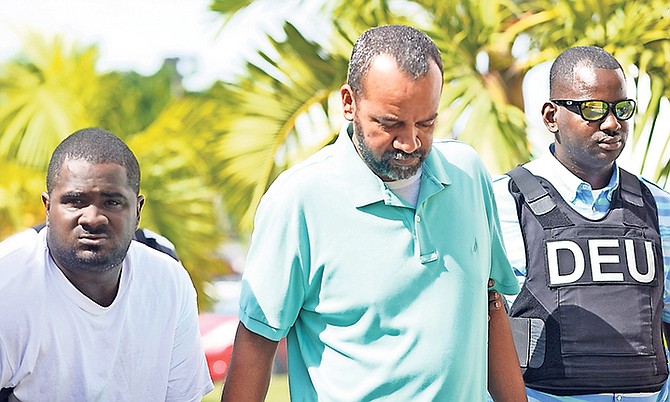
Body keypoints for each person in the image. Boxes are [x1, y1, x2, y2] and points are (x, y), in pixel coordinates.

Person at [221, 24, 525, 401]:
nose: (410, 141)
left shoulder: (468, 173)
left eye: (426, 122)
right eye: (390, 123)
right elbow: (255, 343)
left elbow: (491, 304)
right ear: (349, 102)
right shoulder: (297, 200)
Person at [493, 46, 670, 401]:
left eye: (622, 109)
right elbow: (481, 324)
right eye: (593, 109)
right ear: (551, 116)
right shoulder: (502, 203)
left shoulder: (658, 205)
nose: (612, 123)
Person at [0, 128, 213, 401]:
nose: (93, 218)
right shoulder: (9, 285)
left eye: (112, 202)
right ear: (47, 208)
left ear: (137, 211)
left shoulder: (168, 282)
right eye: (74, 201)